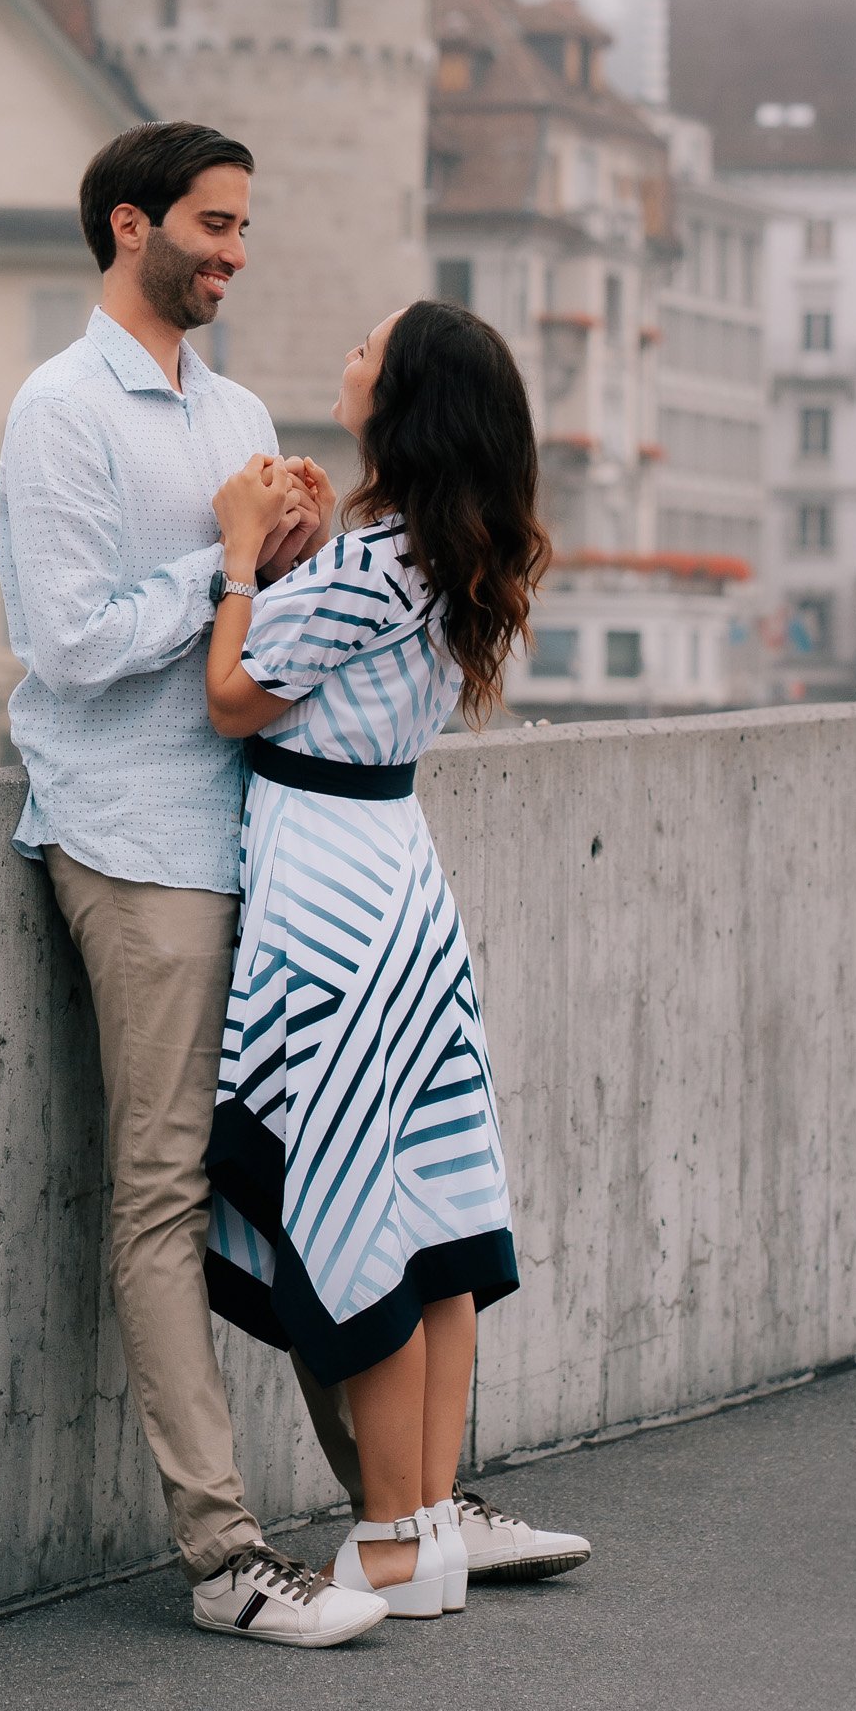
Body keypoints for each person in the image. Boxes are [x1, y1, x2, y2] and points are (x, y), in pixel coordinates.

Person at [0, 120, 390, 1647]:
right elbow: (74, 646)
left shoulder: (233, 405)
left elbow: (259, 637)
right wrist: (229, 560)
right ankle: (227, 1560)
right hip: (135, 842)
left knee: (301, 1177)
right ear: (128, 224)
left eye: (244, 231)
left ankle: (396, 1517)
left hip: (254, 834)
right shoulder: (58, 411)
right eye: (212, 227)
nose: (233, 252)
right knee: (164, 1191)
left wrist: (288, 555)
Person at [203, 301, 593, 1614]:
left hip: (324, 872)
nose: (350, 354)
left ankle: (386, 1535)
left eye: (367, 345)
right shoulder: (436, 551)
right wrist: (311, 547)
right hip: (397, 870)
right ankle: (419, 1520)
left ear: (406, 394)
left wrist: (244, 552)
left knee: (358, 1197)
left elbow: (233, 694)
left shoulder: (382, 561)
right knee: (429, 1203)